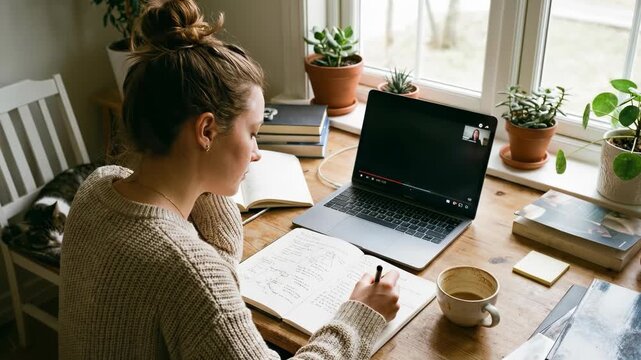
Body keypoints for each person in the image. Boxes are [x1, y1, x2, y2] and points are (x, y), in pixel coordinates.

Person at [58, 0, 400, 359]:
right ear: (205, 129)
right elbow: (202, 279)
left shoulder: (98, 187)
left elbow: (215, 268)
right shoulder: (188, 271)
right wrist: (363, 316)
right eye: (252, 132)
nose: (256, 152)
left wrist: (204, 171)